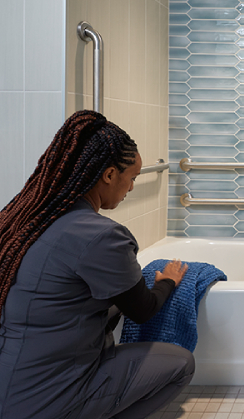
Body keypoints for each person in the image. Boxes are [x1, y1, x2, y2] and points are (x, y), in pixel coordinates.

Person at [0, 110, 194, 419]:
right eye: (131, 178)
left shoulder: (24, 221)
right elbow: (142, 310)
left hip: (11, 382)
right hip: (49, 395)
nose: (131, 188)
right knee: (181, 363)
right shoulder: (102, 236)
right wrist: (166, 281)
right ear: (108, 175)